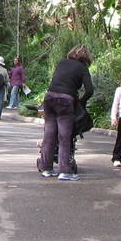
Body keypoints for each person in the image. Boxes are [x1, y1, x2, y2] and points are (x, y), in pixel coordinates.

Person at [36, 44, 94, 180]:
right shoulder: (82, 68)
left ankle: (46, 168)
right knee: (64, 136)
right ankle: (64, 171)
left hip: (49, 97)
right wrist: (81, 101)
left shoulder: (62, 62)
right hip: (65, 101)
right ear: (86, 57)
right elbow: (90, 90)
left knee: (49, 135)